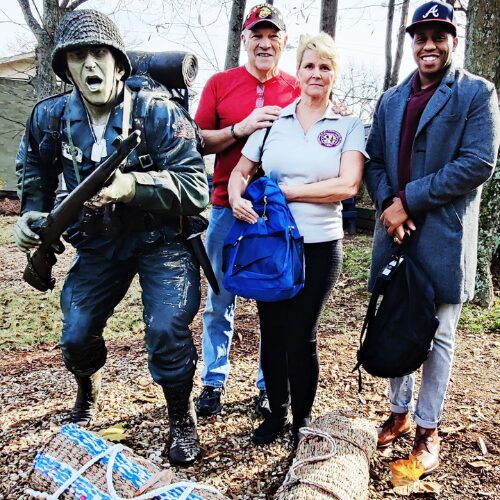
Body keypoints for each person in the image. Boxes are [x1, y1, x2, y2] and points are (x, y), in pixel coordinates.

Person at [13, 9, 209, 466]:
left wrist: (133, 186)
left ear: (119, 64)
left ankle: (180, 416)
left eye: (99, 53)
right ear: (66, 68)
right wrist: (31, 215)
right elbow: (33, 173)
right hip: (98, 242)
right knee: (77, 332)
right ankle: (88, 391)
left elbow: (197, 188)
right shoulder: (50, 118)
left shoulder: (156, 112)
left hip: (162, 238)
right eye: (77, 56)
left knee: (166, 328)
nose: (90, 65)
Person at [364, 0, 499, 474]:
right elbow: (375, 162)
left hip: (443, 236)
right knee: (396, 323)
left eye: (439, 36)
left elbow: (478, 162)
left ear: (453, 41)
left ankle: (428, 428)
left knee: (439, 336)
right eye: (421, 37)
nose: (429, 45)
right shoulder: (390, 99)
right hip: (395, 235)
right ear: (412, 44)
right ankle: (398, 415)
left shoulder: (476, 93)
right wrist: (387, 207)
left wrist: (410, 200)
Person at [228, 32, 367, 444]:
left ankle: (303, 421)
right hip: (272, 244)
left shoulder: (348, 125)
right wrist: (236, 196)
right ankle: (276, 414)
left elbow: (348, 185)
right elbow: (241, 171)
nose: (316, 73)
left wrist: (286, 192)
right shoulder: (274, 123)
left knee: (300, 332)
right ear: (298, 71)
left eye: (325, 67)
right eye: (309, 65)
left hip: (320, 245)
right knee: (271, 330)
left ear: (333, 74)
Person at [194, 3, 299, 417]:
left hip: (274, 217)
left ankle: (266, 385)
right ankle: (213, 380)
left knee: (271, 301)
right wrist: (240, 129)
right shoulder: (221, 83)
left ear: (284, 42)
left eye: (273, 35)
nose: (265, 42)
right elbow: (197, 140)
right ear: (245, 40)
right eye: (257, 34)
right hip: (224, 209)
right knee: (219, 298)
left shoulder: (296, 85)